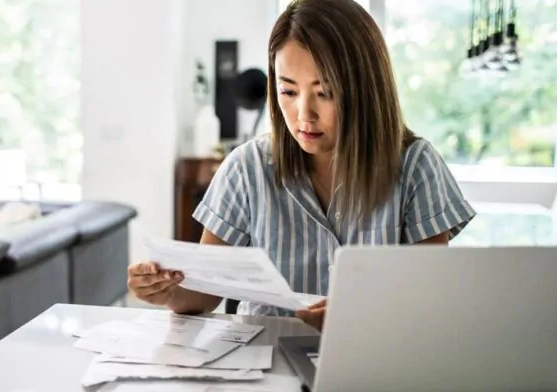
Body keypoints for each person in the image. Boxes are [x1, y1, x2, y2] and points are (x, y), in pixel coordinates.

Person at [127, 0, 476, 331]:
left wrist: (361, 315)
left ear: (366, 90)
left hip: (375, 361)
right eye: (288, 92)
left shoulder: (416, 167)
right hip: (263, 366)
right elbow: (205, 294)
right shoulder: (247, 168)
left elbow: (429, 300)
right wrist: (169, 290)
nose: (303, 115)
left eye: (324, 93)